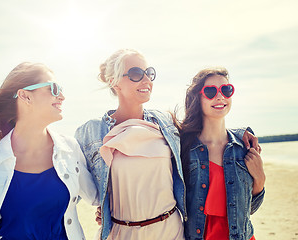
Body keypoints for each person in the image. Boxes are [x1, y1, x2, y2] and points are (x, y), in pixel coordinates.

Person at [74, 49, 257, 240]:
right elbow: (72, 179)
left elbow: (204, 129)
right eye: (136, 74)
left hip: (171, 230)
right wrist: (100, 206)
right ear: (113, 81)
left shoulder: (164, 123)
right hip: (121, 232)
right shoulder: (92, 132)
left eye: (149, 73)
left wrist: (240, 133)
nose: (146, 80)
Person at [0, 62, 98, 240]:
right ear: (25, 96)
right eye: (54, 88)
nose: (62, 96)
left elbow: (97, 197)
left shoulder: (70, 149)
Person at [174, 67, 265, 240]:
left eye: (226, 90)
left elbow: (249, 209)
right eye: (210, 91)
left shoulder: (244, 148)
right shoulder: (183, 148)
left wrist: (260, 179)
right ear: (197, 97)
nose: (220, 96)